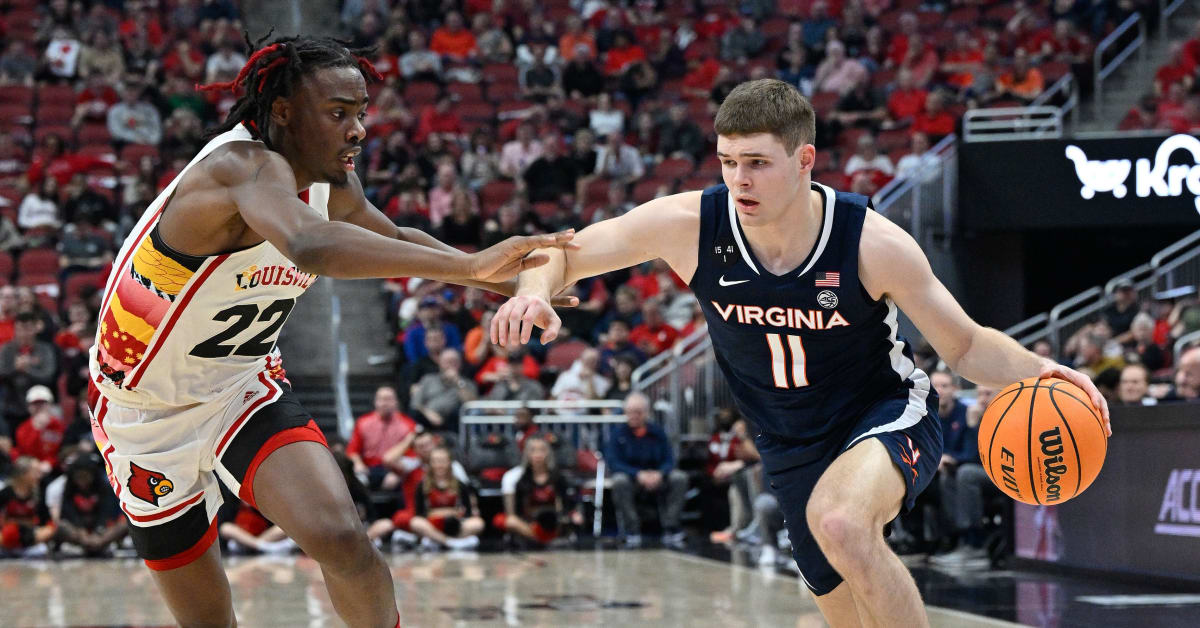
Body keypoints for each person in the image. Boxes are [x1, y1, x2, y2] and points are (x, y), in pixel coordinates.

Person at [491, 78, 1109, 626]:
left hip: (884, 413)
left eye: (757, 162)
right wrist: (533, 291)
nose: (739, 179)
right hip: (786, 442)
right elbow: (564, 250)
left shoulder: (870, 242)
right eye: (728, 162)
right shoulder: (689, 224)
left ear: (804, 159)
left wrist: (1045, 372)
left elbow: (966, 344)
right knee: (846, 609)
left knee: (840, 521)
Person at [85, 35, 575, 628]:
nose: (359, 130)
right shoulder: (236, 168)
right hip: (144, 412)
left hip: (240, 386)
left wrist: (494, 277)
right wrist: (470, 266)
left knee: (344, 540)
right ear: (284, 112)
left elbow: (390, 238)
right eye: (339, 113)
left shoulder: (328, 182)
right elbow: (310, 244)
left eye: (361, 113)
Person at [603, 392, 689, 549]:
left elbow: (669, 460)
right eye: (630, 412)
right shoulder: (618, 434)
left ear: (647, 412)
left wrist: (659, 474)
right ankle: (632, 530)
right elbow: (614, 463)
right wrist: (638, 474)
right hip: (632, 478)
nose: (633, 416)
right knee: (619, 481)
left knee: (679, 478)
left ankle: (671, 527)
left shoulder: (658, 433)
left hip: (657, 477)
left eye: (638, 412)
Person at [495, 435, 581, 547]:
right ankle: (540, 541)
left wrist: (571, 515)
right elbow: (517, 511)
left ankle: (549, 539)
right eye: (533, 450)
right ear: (527, 454)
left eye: (542, 450)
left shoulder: (558, 478)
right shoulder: (521, 479)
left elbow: (566, 505)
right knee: (508, 520)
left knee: (575, 517)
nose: (538, 454)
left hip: (554, 523)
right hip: (530, 525)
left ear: (548, 453)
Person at [346, 386, 418, 490]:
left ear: (396, 402)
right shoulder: (363, 422)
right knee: (357, 481)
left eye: (389, 399)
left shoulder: (408, 425)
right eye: (381, 399)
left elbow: (412, 457)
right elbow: (352, 450)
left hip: (395, 469)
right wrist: (358, 463)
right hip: (369, 469)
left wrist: (400, 473)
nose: (385, 403)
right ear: (375, 402)